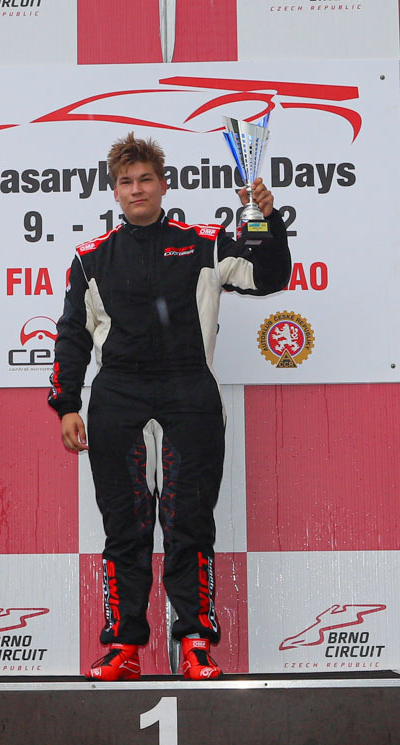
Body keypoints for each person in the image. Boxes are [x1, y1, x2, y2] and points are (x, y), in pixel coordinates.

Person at [48, 133, 291, 681]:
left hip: (189, 393)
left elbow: (270, 277)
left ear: (163, 185)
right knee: (125, 526)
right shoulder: (90, 258)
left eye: (146, 179)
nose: (137, 189)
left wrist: (269, 222)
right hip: (118, 396)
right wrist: (66, 404)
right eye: (126, 182)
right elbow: (72, 335)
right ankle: (123, 647)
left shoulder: (205, 243)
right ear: (114, 192)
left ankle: (196, 643)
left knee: (189, 523)